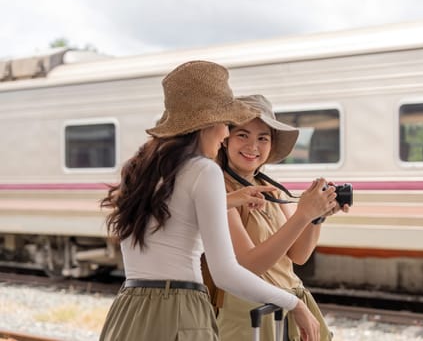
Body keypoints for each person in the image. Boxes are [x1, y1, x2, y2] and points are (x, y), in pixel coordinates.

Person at [99, 61, 321, 341]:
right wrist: (294, 304)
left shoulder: (141, 169)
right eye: (226, 124)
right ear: (207, 123)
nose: (226, 133)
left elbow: (175, 217)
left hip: (129, 309)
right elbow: (226, 273)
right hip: (179, 311)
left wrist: (226, 201)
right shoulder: (205, 170)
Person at [215, 94, 351, 341]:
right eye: (242, 135)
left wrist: (316, 217)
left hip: (288, 305)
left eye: (263, 138)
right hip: (248, 314)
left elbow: (298, 255)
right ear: (225, 140)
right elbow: (248, 265)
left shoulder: (272, 189)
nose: (253, 146)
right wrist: (303, 214)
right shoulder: (219, 189)